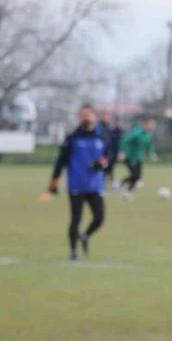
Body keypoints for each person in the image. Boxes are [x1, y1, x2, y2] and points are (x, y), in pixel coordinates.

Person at [48, 105, 108, 261]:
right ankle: (73, 251)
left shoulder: (101, 137)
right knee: (76, 219)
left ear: (94, 117)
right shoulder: (72, 138)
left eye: (89, 114)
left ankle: (85, 236)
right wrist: (54, 181)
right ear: (79, 117)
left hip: (95, 184)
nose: (86, 117)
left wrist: (101, 163)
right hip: (76, 185)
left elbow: (108, 156)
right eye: (83, 114)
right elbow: (61, 160)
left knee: (100, 218)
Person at [118, 119, 158, 200]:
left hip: (139, 158)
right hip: (130, 157)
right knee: (134, 175)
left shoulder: (148, 135)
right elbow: (125, 140)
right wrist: (122, 152)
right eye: (151, 125)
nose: (152, 127)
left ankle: (123, 187)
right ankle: (123, 187)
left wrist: (152, 154)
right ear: (146, 124)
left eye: (153, 125)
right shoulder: (138, 133)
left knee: (138, 177)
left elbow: (150, 146)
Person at [107, 116, 124, 188]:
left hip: (120, 152)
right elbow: (110, 142)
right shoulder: (111, 131)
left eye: (120, 122)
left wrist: (121, 152)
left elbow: (123, 142)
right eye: (117, 122)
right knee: (111, 167)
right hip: (112, 152)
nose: (118, 123)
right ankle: (112, 181)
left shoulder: (122, 131)